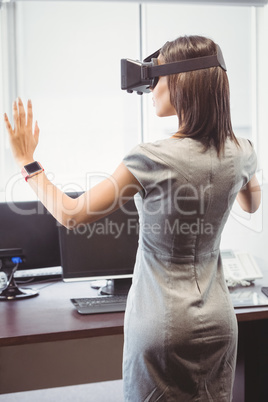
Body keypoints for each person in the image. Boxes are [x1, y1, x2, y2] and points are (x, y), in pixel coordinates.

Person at [4, 35, 261, 401]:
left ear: (182, 84)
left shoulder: (150, 158)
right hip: (220, 321)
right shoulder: (243, 151)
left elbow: (70, 214)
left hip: (163, 325)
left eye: (156, 78)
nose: (151, 89)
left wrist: (27, 162)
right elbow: (251, 205)